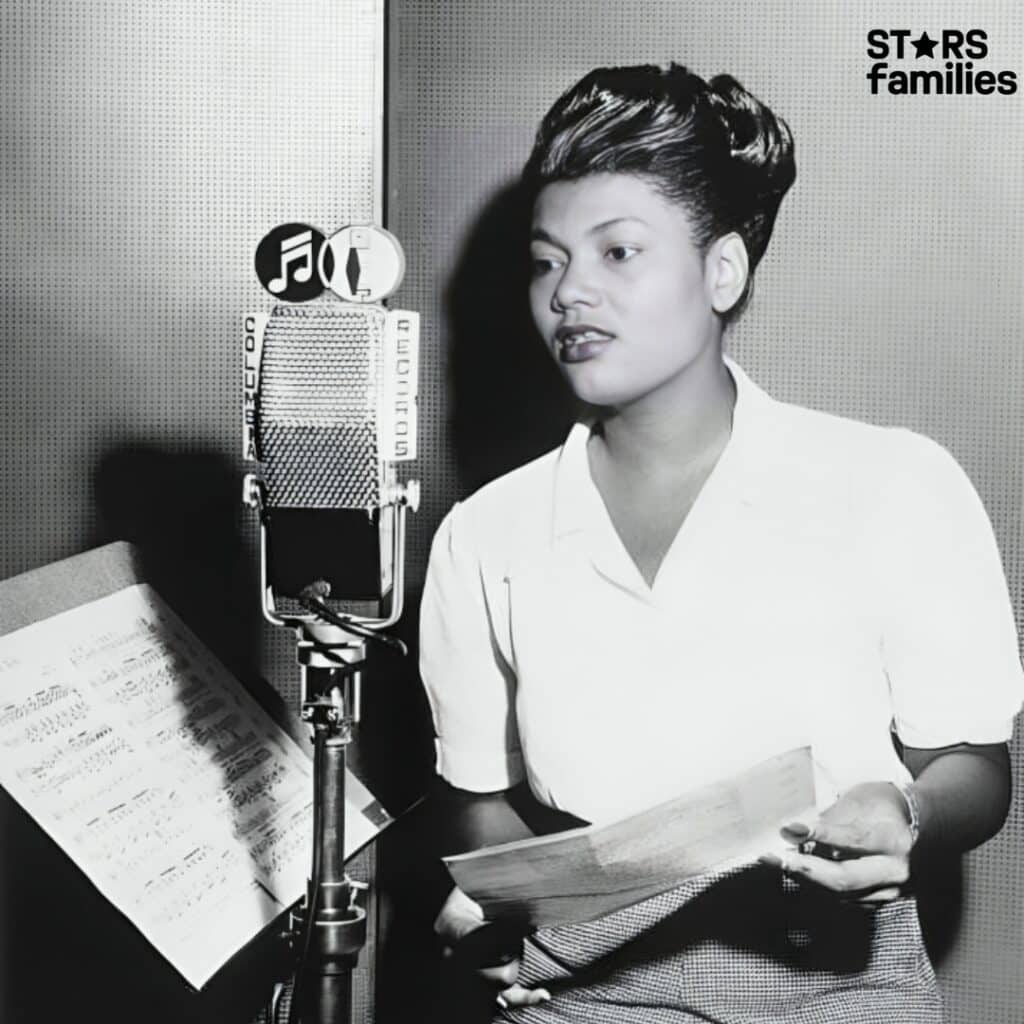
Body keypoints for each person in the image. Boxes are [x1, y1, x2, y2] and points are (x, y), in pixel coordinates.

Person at [418, 63, 1024, 1022]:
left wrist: (900, 812)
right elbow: (479, 803)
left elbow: (975, 771)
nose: (569, 292)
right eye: (546, 260)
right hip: (582, 987)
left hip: (837, 982)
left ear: (723, 270)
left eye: (617, 252)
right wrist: (506, 908)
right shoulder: (483, 536)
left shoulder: (895, 486)